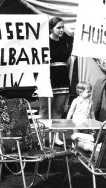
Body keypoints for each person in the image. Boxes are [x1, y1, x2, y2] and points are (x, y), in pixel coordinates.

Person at [39, 16, 74, 146]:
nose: (61, 30)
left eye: (62, 27)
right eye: (58, 27)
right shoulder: (44, 42)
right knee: (44, 110)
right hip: (47, 78)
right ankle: (42, 138)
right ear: (51, 28)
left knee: (58, 110)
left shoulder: (65, 41)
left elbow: (69, 61)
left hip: (63, 78)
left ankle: (55, 137)